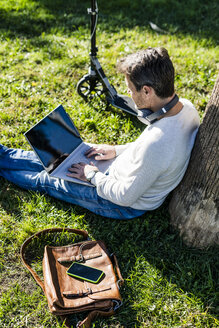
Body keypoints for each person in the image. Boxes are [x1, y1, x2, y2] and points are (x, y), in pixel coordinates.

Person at [0, 47, 200, 219]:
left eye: (130, 89)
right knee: (57, 159)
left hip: (118, 203)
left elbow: (124, 196)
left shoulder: (158, 143)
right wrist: (116, 150)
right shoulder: (186, 109)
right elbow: (153, 152)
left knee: (49, 180)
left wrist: (91, 176)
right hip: (116, 172)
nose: (128, 93)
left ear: (147, 91)